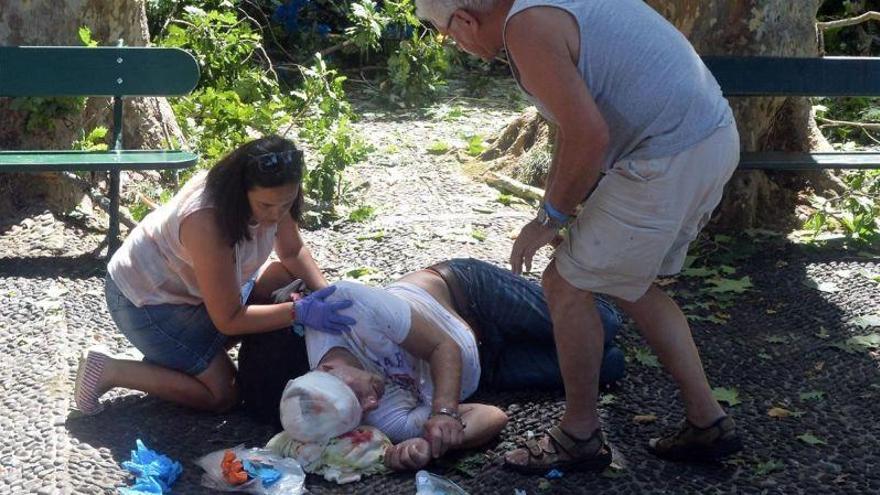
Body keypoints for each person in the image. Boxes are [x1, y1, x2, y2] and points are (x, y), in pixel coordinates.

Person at [414, 0, 743, 472]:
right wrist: (553, 209)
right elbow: (572, 131)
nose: (459, 46)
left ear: (465, 19)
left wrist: (551, 217)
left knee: (564, 285)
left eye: (448, 35)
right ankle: (707, 421)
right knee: (625, 283)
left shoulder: (526, 28)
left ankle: (579, 435)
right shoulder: (534, 11)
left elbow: (589, 135)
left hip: (668, 153)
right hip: (708, 139)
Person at [238, 258, 625, 471]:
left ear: (327, 371)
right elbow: (491, 415)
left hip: (466, 298)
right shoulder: (366, 416)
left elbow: (444, 348)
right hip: (489, 364)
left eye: (358, 394)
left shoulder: (347, 307)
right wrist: (432, 441)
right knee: (606, 365)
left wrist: (442, 410)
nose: (372, 403)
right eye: (362, 411)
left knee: (605, 323)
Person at [73, 136, 355, 415]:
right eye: (266, 206)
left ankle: (175, 360)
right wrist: (298, 311)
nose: (277, 215)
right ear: (241, 191)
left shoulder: (277, 194)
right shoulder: (206, 221)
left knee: (283, 278)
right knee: (225, 395)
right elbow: (229, 319)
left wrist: (328, 295)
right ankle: (110, 370)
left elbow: (292, 252)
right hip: (147, 303)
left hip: (196, 293)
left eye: (286, 203)